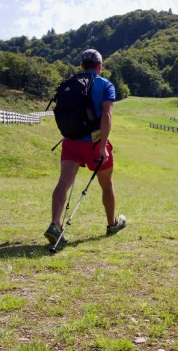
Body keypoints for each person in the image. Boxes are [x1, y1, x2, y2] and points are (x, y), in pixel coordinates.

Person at [44, 49, 126, 246]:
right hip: (95, 143)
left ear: (81, 66)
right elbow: (106, 115)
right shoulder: (105, 84)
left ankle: (55, 224)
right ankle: (111, 224)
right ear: (100, 65)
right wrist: (103, 146)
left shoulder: (69, 84)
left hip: (70, 142)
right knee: (106, 185)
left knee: (63, 183)